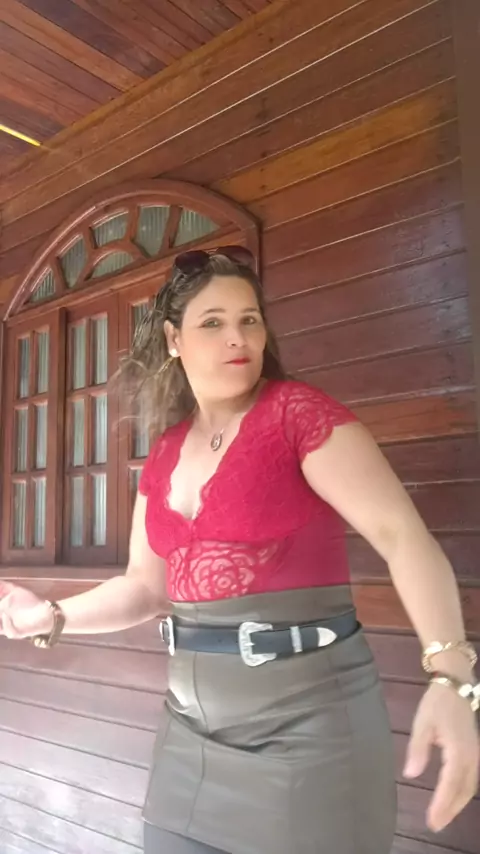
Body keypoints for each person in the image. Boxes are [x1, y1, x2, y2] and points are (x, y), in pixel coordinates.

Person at [0, 246, 478, 854]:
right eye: (213, 322)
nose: (238, 337)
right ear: (173, 339)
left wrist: (453, 679)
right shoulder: (165, 452)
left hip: (311, 732)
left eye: (249, 319)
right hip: (188, 736)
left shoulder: (299, 416)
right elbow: (145, 588)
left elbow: (402, 536)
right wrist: (51, 616)